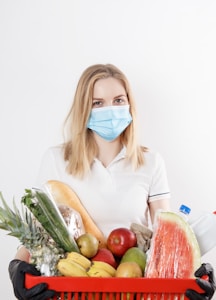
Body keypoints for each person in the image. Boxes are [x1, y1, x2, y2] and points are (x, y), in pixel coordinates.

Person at [8, 64, 215, 299]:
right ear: (84, 109)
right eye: (98, 103)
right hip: (72, 290)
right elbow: (37, 229)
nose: (110, 109)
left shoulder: (150, 161)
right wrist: (16, 265)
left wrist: (195, 271)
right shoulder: (56, 159)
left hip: (134, 290)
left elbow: (164, 238)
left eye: (118, 100)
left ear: (129, 105)